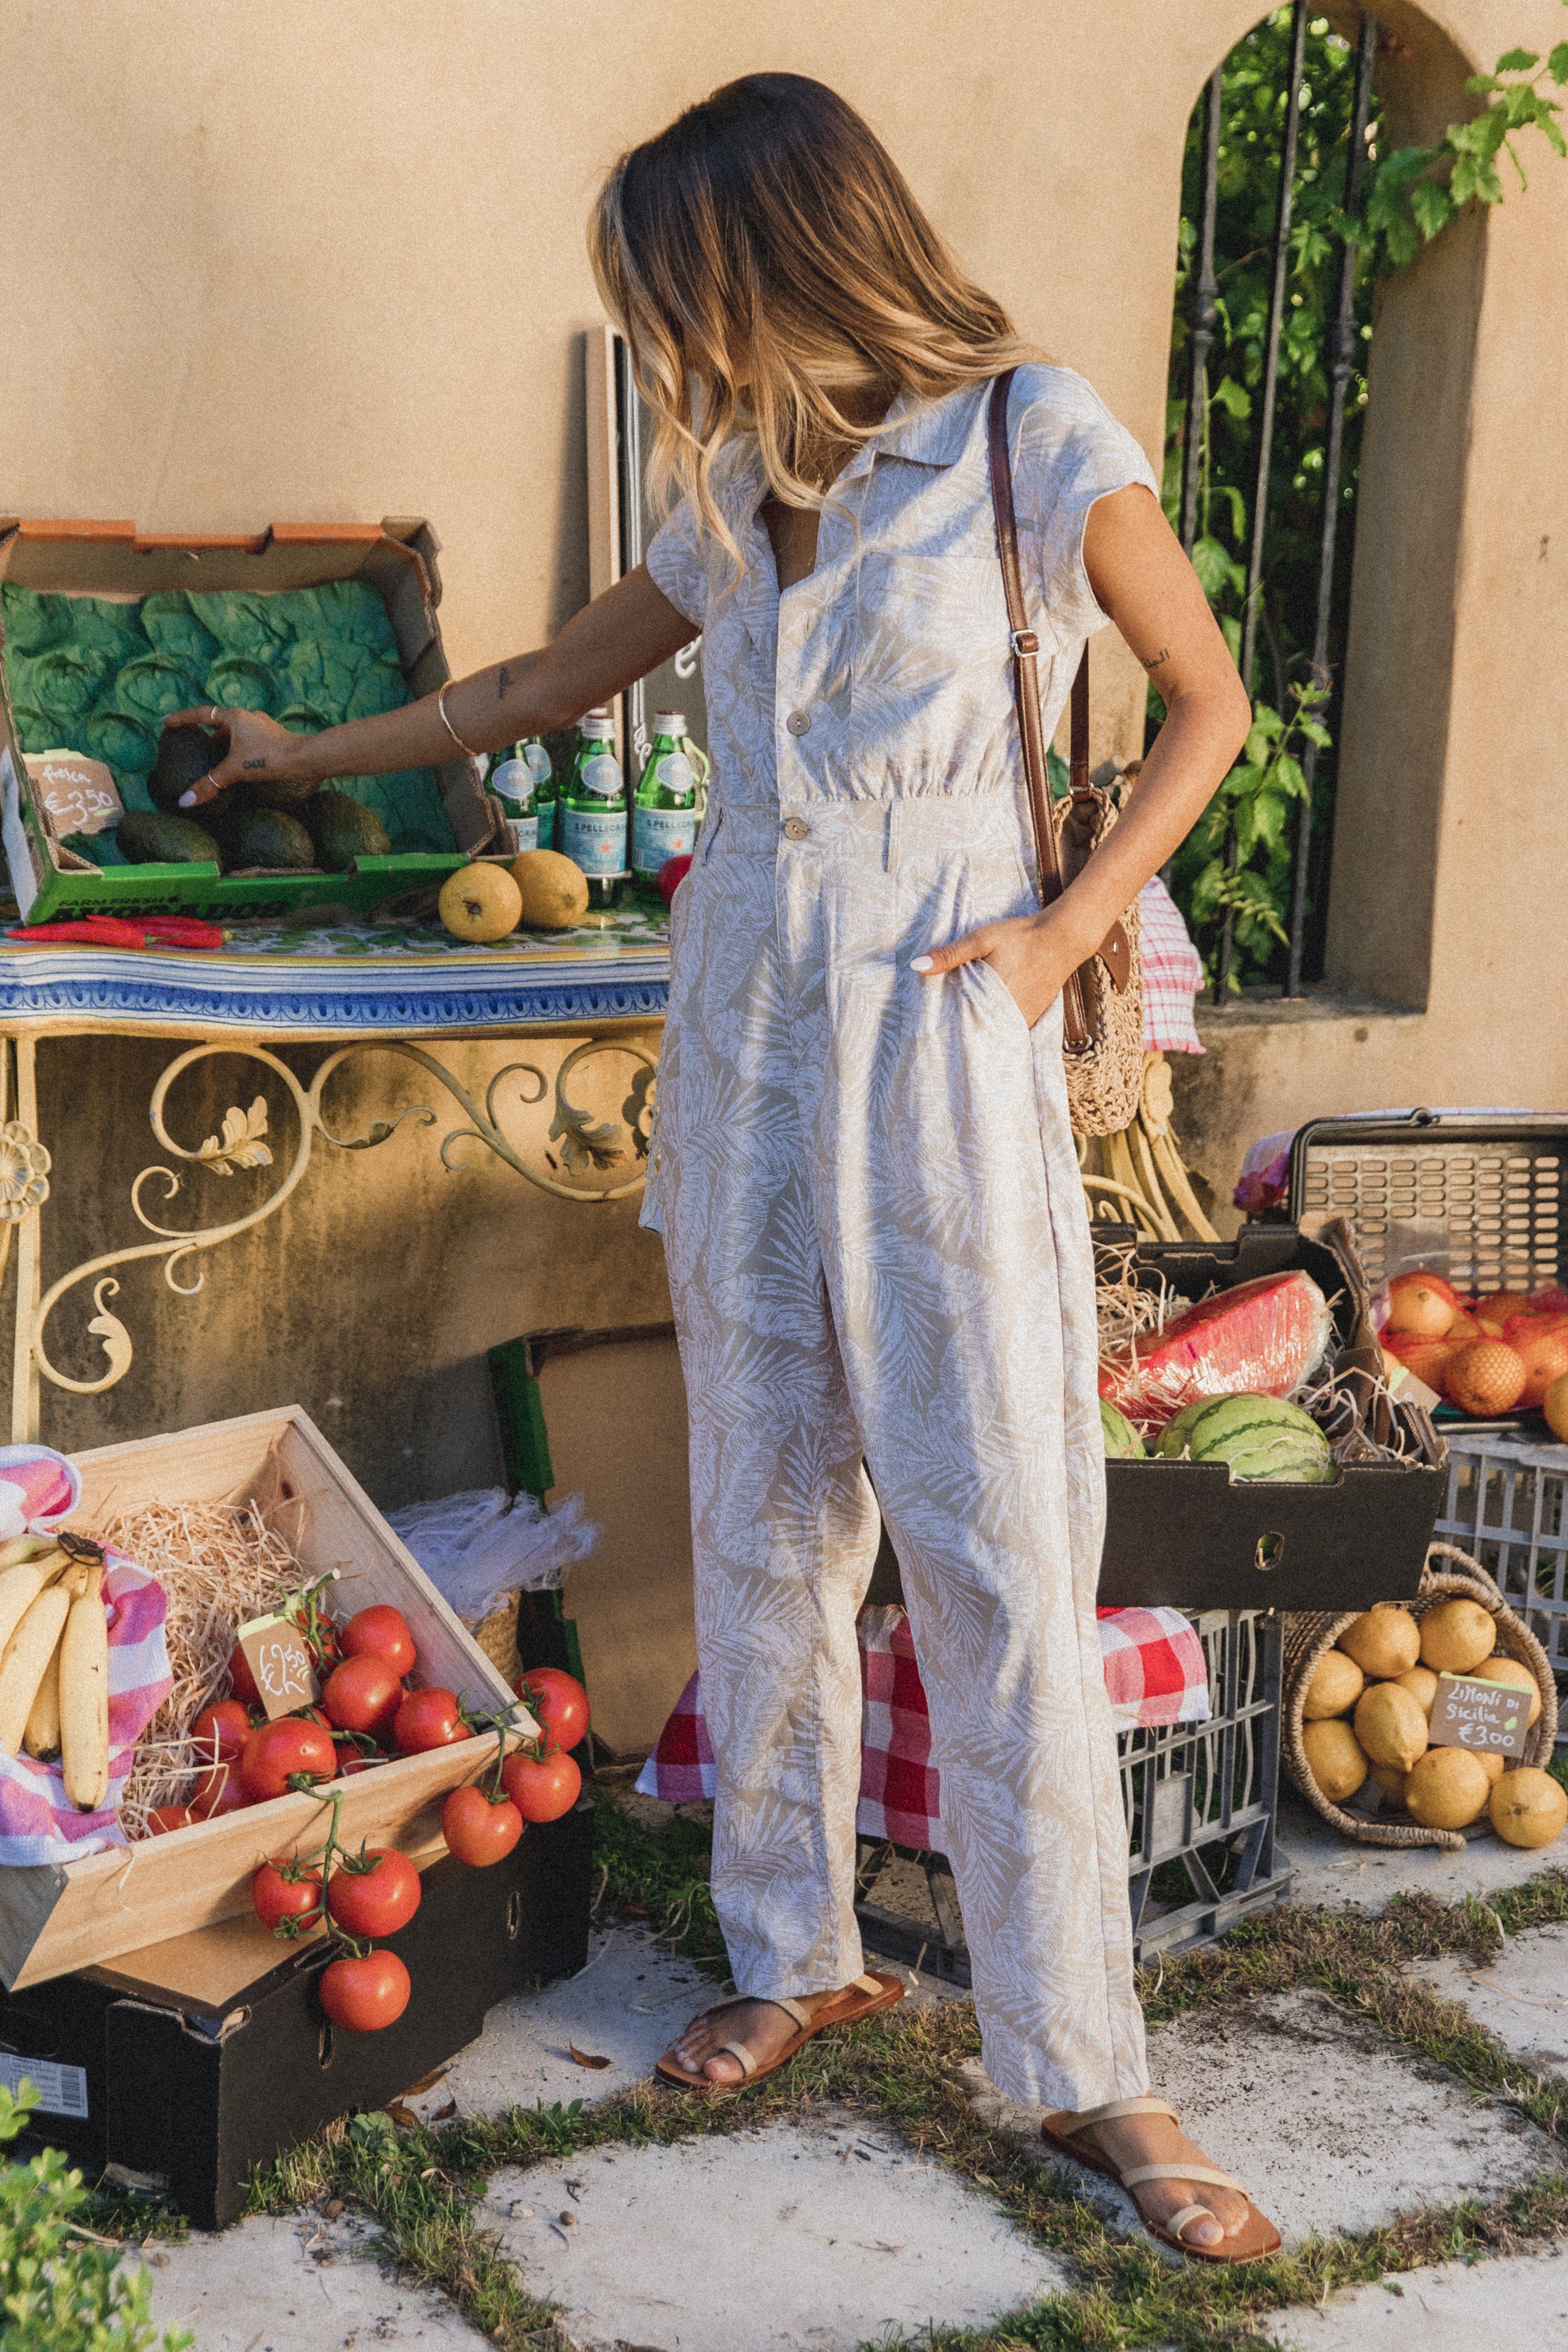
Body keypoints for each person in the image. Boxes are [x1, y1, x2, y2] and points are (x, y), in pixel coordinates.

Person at [171, 72, 1273, 2263]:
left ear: (770, 258)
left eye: (678, 298)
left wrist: (1062, 931)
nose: (670, 347)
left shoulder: (1023, 436)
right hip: (750, 1039)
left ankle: (1085, 2066)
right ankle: (800, 1953)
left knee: (989, 1533)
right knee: (767, 1507)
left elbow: (1205, 701)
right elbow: (536, 681)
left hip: (942, 1041)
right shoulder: (739, 487)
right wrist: (304, 752)